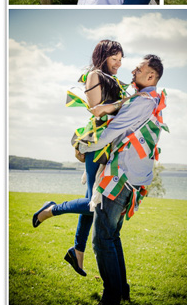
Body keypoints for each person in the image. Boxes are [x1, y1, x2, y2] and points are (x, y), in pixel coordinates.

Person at [75, 55, 167, 305]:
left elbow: (113, 131)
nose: (133, 70)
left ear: (151, 77)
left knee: (102, 238)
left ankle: (111, 299)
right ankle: (121, 290)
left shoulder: (142, 102)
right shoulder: (151, 100)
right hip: (131, 177)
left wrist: (82, 145)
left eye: (139, 69)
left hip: (120, 177)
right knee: (112, 236)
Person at [31, 40, 129, 278]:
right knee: (95, 203)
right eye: (114, 59)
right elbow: (96, 108)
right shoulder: (94, 75)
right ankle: (51, 210)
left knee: (91, 202)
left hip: (110, 143)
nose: (118, 64)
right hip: (97, 142)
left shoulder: (113, 79)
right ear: (103, 56)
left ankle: (77, 252)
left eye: (120, 60)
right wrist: (125, 103)